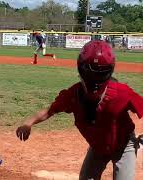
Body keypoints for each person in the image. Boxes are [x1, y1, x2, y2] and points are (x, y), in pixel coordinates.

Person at [17, 40, 143, 180]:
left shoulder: (121, 93)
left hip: (123, 145)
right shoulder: (73, 95)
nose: (94, 79)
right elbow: (49, 111)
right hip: (98, 145)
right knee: (86, 177)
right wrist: (28, 123)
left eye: (99, 73)